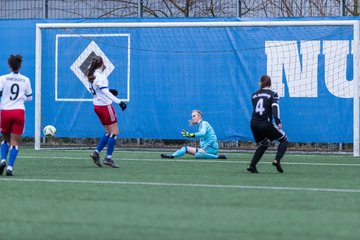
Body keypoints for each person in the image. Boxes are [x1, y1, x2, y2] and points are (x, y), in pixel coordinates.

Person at [86, 55, 127, 168]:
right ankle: (108, 158)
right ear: (102, 63)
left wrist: (109, 91)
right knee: (115, 132)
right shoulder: (100, 77)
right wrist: (119, 102)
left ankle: (96, 152)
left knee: (108, 132)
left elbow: (100, 90)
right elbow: (105, 92)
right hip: (105, 107)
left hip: (97, 107)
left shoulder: (92, 74)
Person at [247, 75, 288, 173]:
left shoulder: (254, 95)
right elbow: (274, 107)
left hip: (253, 124)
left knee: (264, 144)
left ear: (261, 83)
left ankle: (252, 165)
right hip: (265, 123)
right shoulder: (273, 94)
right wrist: (277, 120)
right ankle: (277, 160)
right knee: (284, 140)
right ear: (270, 83)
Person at [0, 55, 32, 176]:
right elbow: (29, 98)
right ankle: (9, 167)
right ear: (20, 65)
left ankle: (3, 159)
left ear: (9, 65)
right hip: (19, 111)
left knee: (5, 139)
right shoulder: (25, 80)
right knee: (15, 142)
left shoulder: (3, 78)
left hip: (5, 111)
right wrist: (21, 97)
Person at [161, 110, 226, 159]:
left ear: (199, 116)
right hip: (206, 148)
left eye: (194, 116)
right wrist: (189, 135)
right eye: (192, 116)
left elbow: (202, 133)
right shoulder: (201, 125)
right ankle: (172, 155)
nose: (192, 118)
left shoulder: (204, 123)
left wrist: (189, 134)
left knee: (198, 155)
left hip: (211, 147)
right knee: (185, 148)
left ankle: (217, 157)